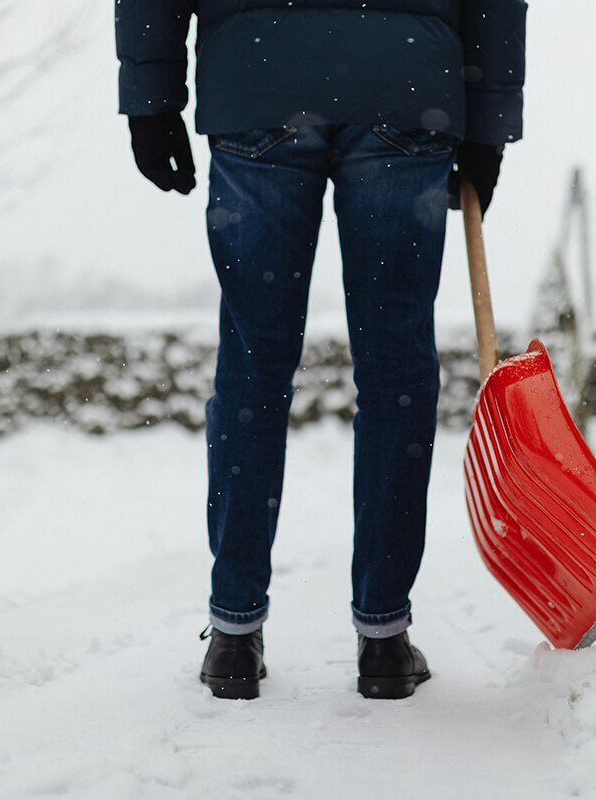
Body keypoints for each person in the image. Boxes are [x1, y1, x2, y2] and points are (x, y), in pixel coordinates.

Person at [115, 0, 526, 700]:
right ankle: (385, 638)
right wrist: (489, 122)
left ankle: (235, 635)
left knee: (253, 362)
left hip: (259, 78)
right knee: (396, 364)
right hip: (406, 84)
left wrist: (150, 98)